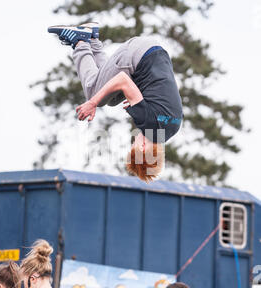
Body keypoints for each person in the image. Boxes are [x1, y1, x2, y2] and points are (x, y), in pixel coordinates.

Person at [48, 22, 184, 182]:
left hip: (155, 53)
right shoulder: (148, 124)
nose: (135, 138)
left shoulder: (172, 128)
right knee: (95, 93)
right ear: (141, 148)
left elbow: (163, 94)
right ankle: (80, 41)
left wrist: (141, 101)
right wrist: (92, 102)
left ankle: (93, 39)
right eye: (134, 144)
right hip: (138, 55)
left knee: (110, 99)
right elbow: (122, 80)